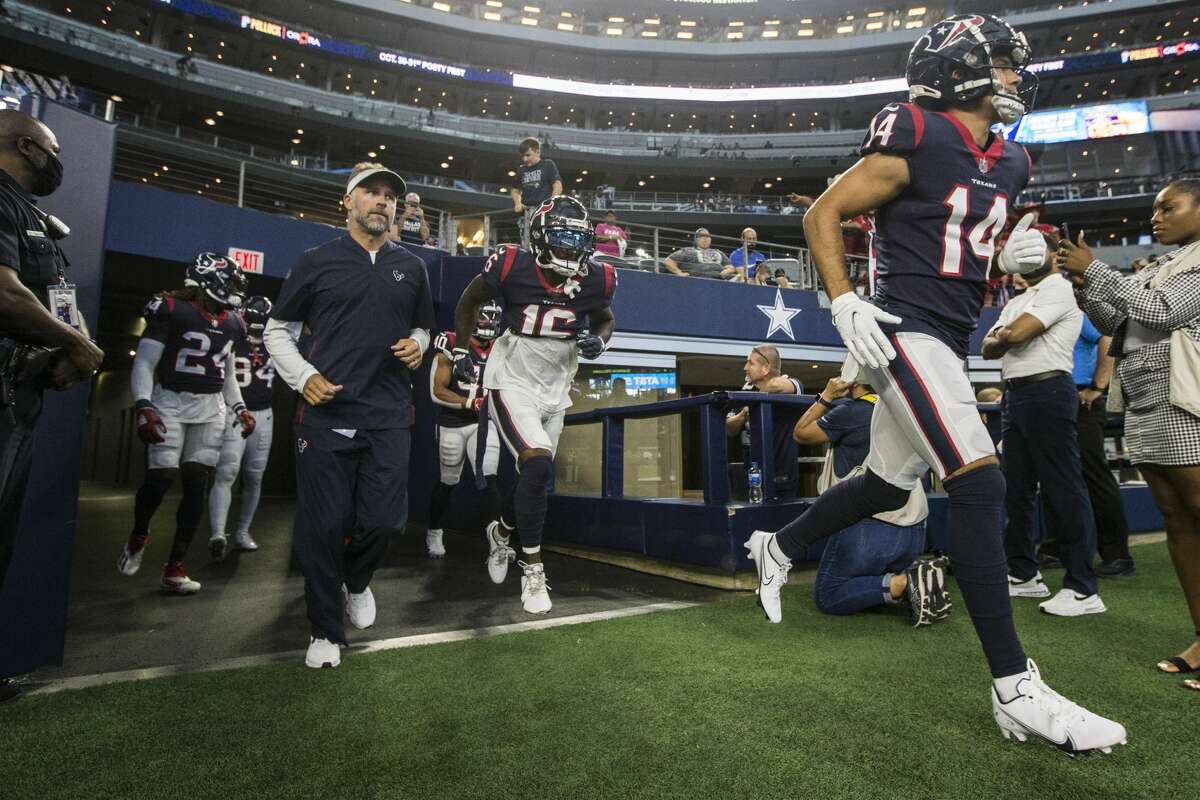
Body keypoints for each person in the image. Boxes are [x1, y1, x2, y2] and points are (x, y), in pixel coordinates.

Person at [744, 14, 1126, 753]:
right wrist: (844, 298)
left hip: (946, 337)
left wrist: (1004, 256)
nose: (1017, 77)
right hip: (901, 329)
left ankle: (780, 547)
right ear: (966, 70)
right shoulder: (918, 130)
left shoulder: (1011, 163)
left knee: (887, 484)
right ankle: (1014, 686)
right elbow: (826, 212)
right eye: (1007, 65)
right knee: (981, 483)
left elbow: (961, 239)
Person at [262, 163, 435, 669]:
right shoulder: (316, 261)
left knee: (385, 521)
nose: (383, 201)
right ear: (349, 202)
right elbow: (277, 332)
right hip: (325, 415)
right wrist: (303, 376)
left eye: (389, 196)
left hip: (387, 414)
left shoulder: (413, 267)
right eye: (371, 193)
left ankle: (356, 578)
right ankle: (324, 631)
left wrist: (418, 345)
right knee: (322, 526)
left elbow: (425, 327)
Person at [1056, 177, 1200, 693]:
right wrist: (1086, 286)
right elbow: (1118, 323)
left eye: (1170, 207)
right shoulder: (1161, 266)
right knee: (1177, 521)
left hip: (1188, 404)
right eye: (1156, 209)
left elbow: (1163, 313)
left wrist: (1096, 268)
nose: (1156, 217)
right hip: (1147, 400)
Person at [452, 195, 616, 614]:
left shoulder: (598, 278)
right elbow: (470, 300)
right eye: (559, 240)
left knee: (535, 476)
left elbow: (604, 317)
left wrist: (600, 340)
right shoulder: (512, 265)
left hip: (557, 384)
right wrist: (461, 351)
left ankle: (503, 533)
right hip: (513, 375)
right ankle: (533, 567)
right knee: (539, 464)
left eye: (574, 242)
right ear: (539, 237)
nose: (567, 250)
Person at [0, 110, 104, 703]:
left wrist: (72, 344)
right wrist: (75, 344)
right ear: (26, 146)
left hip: (22, 393)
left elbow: (53, 298)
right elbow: (5, 294)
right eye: (52, 148)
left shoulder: (30, 212)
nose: (59, 159)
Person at [981, 226, 1102, 616]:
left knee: (1063, 488)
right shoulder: (1019, 298)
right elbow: (987, 348)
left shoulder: (1059, 288)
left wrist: (1006, 334)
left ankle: (1083, 588)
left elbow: (1013, 336)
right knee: (1015, 489)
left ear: (1053, 254)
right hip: (1015, 395)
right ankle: (1023, 574)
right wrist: (1006, 334)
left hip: (1049, 391)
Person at [118, 253, 254, 594]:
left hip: (210, 407)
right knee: (161, 478)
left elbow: (227, 375)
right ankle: (139, 535)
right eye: (231, 283)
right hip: (171, 400)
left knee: (197, 484)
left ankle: (175, 566)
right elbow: (146, 363)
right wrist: (144, 405)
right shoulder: (171, 310)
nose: (235, 291)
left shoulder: (234, 322)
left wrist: (239, 408)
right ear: (207, 281)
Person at [792, 375, 949, 625]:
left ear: (854, 381)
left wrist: (827, 394)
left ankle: (905, 582)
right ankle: (908, 579)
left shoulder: (852, 411)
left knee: (828, 595)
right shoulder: (904, 410)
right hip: (916, 528)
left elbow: (801, 433)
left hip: (872, 524)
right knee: (869, 582)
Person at [426, 301, 503, 559]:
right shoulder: (451, 342)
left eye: (493, 318)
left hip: (484, 422)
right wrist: (470, 402)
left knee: (489, 479)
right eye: (483, 317)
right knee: (448, 481)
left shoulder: (501, 348)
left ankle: (495, 541)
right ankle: (434, 530)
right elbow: (436, 391)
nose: (489, 324)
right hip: (453, 422)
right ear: (470, 318)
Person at [208, 295, 276, 557]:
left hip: (264, 413)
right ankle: (217, 532)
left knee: (254, 475)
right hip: (236, 412)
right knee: (227, 471)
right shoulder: (233, 338)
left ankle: (242, 531)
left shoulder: (278, 343)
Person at [1072, 314, 1134, 576]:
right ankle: (1060, 547)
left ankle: (1117, 555)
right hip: (1059, 396)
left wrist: (1098, 386)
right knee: (1061, 476)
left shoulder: (1079, 309)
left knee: (1095, 473)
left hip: (1083, 399)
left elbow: (1107, 339)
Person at [724, 345, 803, 500]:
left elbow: (777, 385)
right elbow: (729, 428)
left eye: (750, 363)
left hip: (781, 480)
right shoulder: (746, 392)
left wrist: (755, 398)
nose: (745, 368)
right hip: (752, 479)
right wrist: (745, 412)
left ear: (766, 368)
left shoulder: (791, 383)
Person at [512, 137, 562, 248]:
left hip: (544, 213)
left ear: (537, 151)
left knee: (544, 245)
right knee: (526, 247)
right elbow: (515, 190)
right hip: (526, 214)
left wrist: (551, 205)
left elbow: (557, 185)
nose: (524, 159)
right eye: (523, 156)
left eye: (528, 155)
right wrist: (517, 203)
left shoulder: (548, 165)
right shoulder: (521, 169)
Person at [664, 228, 736, 279]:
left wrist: (728, 271)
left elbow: (730, 267)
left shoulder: (718, 252)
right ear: (696, 240)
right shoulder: (687, 250)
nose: (705, 238)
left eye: (707, 236)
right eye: (701, 236)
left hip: (719, 280)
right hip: (697, 280)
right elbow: (668, 262)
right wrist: (679, 273)